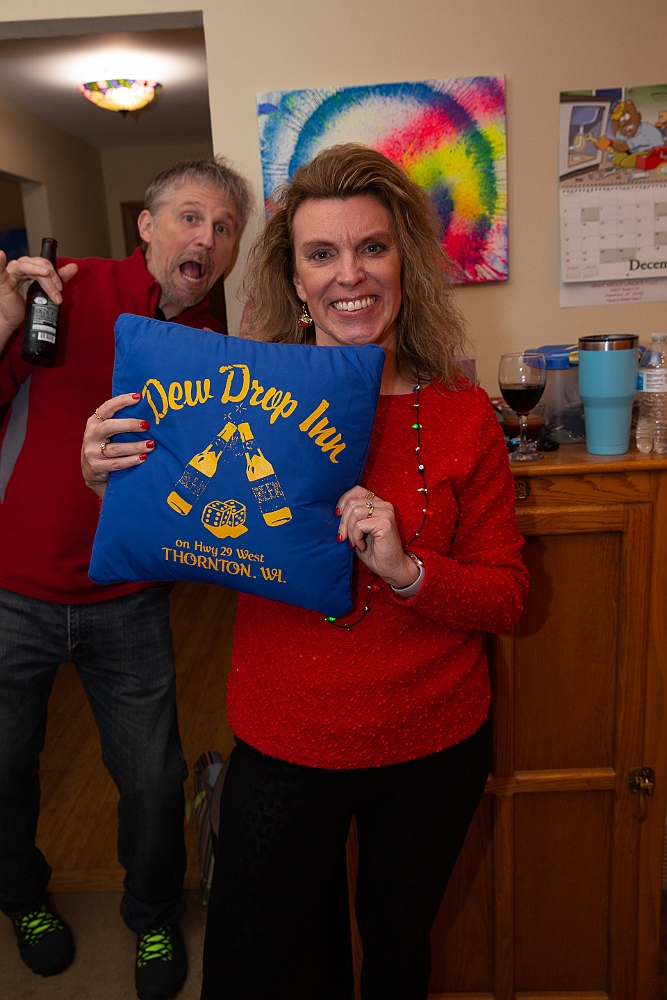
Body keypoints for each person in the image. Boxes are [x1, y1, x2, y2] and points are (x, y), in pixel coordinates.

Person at [83, 144, 528, 1000]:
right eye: (321, 254)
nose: (348, 275)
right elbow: (175, 514)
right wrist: (108, 478)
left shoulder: (463, 414)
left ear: (404, 262)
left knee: (395, 955)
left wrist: (408, 571)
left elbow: (507, 596)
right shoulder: (235, 394)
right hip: (286, 741)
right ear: (295, 280)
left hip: (431, 746)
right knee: (257, 969)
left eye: (372, 247)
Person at [0, 157, 250, 1000]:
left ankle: (152, 915)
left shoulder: (214, 346)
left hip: (129, 600)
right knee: (5, 768)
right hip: (14, 590)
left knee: (152, 780)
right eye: (190, 217)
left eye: (223, 228)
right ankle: (22, 899)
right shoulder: (64, 290)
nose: (205, 238)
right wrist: (3, 319)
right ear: (147, 226)